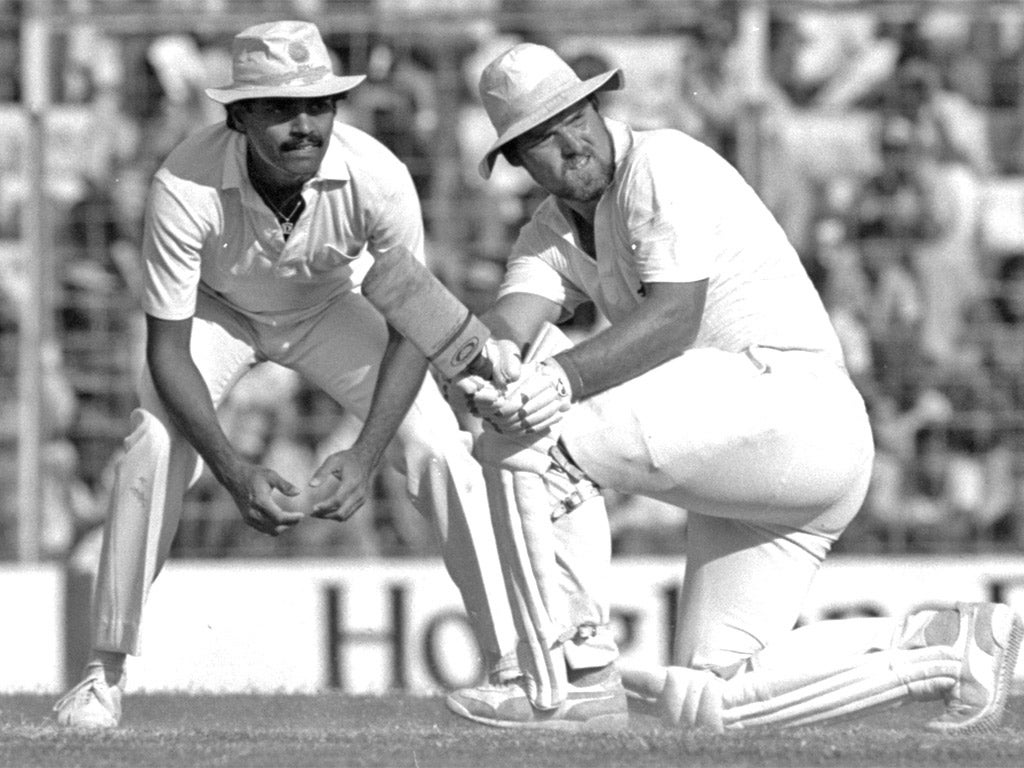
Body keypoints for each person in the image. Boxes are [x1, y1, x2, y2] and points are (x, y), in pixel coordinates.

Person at [441, 43, 1022, 733]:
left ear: (597, 107)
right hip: (750, 449)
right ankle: (950, 647)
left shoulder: (661, 162)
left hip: (791, 407)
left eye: (574, 117)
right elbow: (508, 326)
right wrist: (483, 369)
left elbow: (673, 319)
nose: (570, 143)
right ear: (516, 160)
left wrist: (554, 381)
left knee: (541, 442)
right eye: (541, 136)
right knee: (708, 699)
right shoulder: (548, 233)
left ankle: (577, 672)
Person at [53, 20, 518, 728]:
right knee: (153, 443)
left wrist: (366, 455)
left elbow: (412, 320)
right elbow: (167, 351)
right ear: (238, 117)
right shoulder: (183, 182)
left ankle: (512, 666)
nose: (305, 126)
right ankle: (102, 676)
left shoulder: (378, 175)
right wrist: (233, 470)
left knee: (438, 444)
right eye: (280, 108)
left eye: (318, 106)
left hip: (328, 308)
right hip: (217, 313)